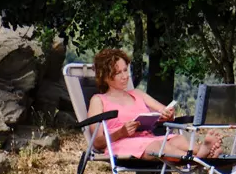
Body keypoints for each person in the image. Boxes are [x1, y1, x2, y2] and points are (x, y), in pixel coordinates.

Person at [87, 48, 218, 162]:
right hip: (120, 144)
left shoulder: (137, 94)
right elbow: (97, 143)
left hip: (148, 140)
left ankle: (207, 152)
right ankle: (199, 159)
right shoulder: (98, 100)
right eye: (118, 73)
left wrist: (168, 115)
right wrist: (121, 133)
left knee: (178, 140)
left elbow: (165, 111)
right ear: (104, 77)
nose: (125, 76)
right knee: (159, 146)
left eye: (125, 70)